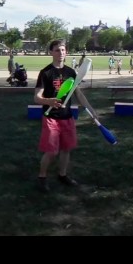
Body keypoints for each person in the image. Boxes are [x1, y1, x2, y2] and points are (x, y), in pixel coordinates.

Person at [34, 39, 98, 193]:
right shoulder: (46, 72)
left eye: (62, 50)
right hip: (51, 117)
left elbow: (78, 94)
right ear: (51, 52)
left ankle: (62, 175)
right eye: (57, 50)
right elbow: (36, 97)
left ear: (66, 52)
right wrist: (48, 100)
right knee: (51, 151)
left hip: (67, 116)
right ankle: (42, 177)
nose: (60, 52)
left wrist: (91, 109)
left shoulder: (71, 72)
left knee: (66, 148)